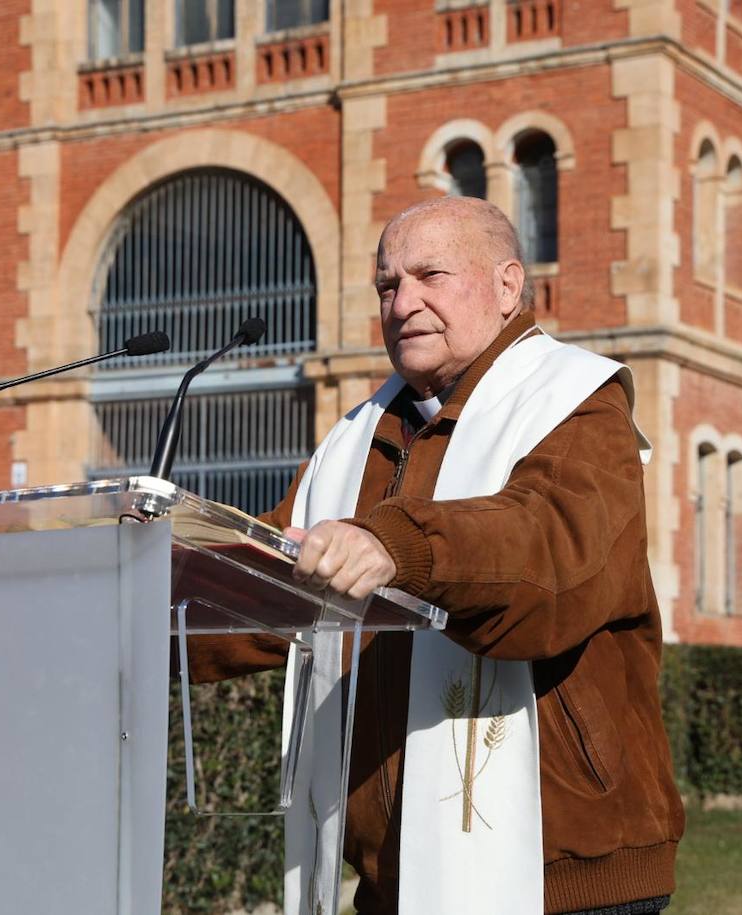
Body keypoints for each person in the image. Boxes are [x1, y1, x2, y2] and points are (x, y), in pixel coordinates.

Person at [188, 197, 683, 914]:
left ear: (508, 287)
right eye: (387, 285)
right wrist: (136, 601)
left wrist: (396, 547)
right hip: (393, 878)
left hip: (566, 878)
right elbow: (271, 583)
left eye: (430, 275)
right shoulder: (359, 437)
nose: (402, 302)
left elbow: (542, 551)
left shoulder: (576, 404)